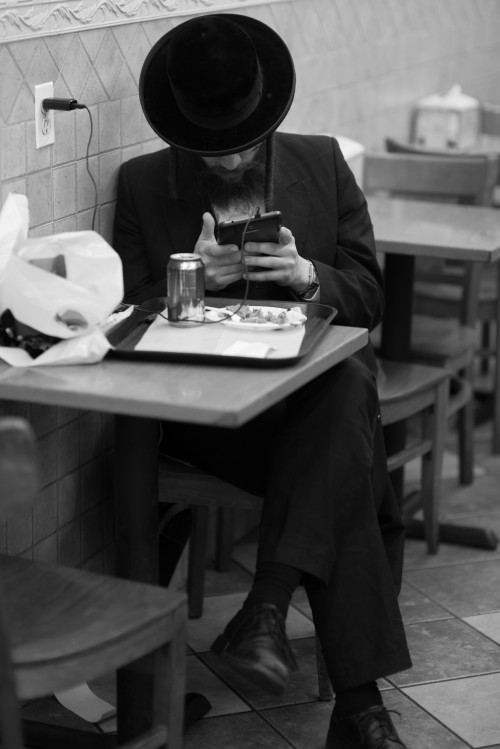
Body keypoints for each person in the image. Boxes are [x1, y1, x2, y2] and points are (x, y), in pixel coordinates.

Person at [113, 14, 412, 749]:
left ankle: (271, 613)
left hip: (306, 412)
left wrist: (313, 275)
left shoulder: (319, 163)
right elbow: (119, 318)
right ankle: (355, 704)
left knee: (342, 394)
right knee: (349, 447)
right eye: (210, 150)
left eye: (242, 144)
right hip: (213, 423)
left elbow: (371, 296)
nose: (228, 159)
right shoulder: (146, 185)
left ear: (267, 113)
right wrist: (191, 283)